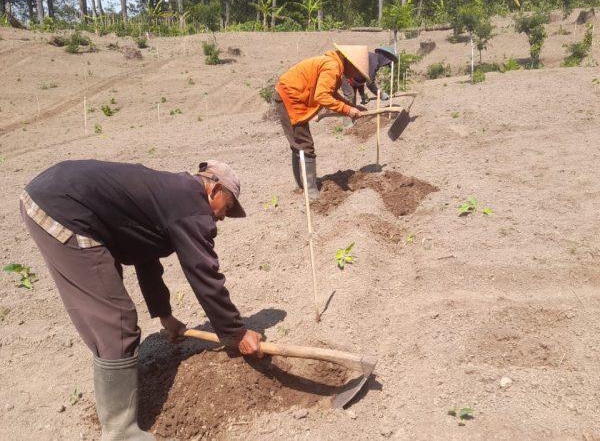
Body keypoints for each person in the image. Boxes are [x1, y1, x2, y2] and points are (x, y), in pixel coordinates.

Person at [20, 159, 263, 441]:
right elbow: (204, 274)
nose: (222, 218)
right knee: (116, 320)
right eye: (228, 207)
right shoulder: (193, 206)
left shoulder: (170, 192)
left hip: (47, 196)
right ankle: (120, 432)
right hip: (65, 208)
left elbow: (145, 254)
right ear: (214, 190)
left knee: (107, 312)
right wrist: (236, 332)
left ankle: (119, 396)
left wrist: (165, 315)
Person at [274, 44, 370, 199]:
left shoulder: (334, 64)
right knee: (304, 145)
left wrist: (351, 106)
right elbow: (322, 97)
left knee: (299, 144)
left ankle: (303, 184)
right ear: (350, 62)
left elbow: (330, 93)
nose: (355, 75)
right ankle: (310, 191)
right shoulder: (332, 67)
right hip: (290, 98)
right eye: (357, 70)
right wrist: (347, 110)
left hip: (291, 95)